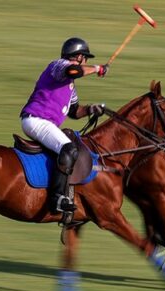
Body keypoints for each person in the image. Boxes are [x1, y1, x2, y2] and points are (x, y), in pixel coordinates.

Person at [20, 37, 108, 215]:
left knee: (66, 148)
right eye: (86, 58)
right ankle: (57, 198)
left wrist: (92, 109)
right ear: (78, 57)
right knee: (69, 148)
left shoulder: (70, 87)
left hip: (43, 122)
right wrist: (97, 69)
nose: (87, 62)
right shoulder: (58, 66)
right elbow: (73, 70)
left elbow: (75, 111)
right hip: (37, 119)